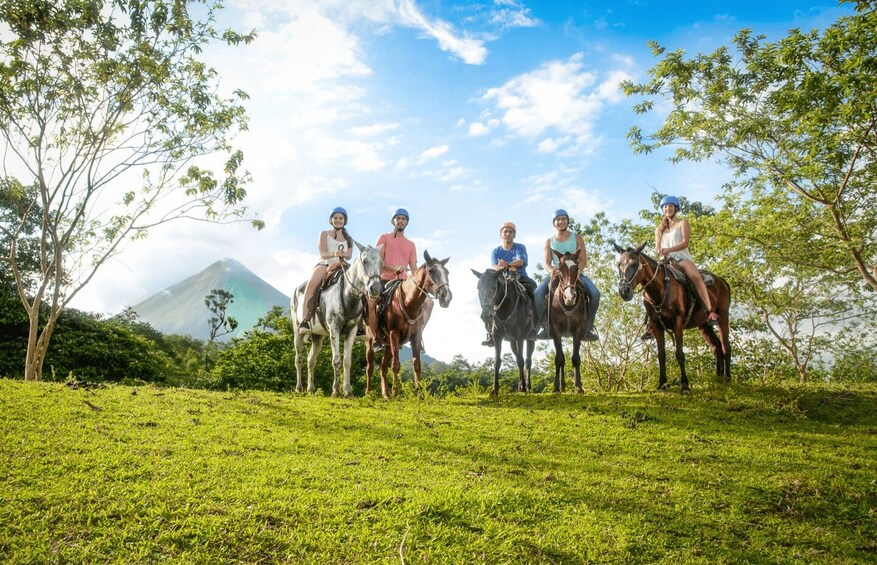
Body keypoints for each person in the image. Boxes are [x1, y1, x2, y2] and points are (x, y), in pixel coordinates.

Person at [533, 209, 600, 341]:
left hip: (575, 273)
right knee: (538, 294)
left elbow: (583, 260)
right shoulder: (549, 241)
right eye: (558, 220)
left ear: (567, 221)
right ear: (554, 223)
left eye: (563, 219)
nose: (561, 222)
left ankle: (588, 326)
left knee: (595, 293)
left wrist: (577, 272)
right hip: (557, 273)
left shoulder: (577, 238)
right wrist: (551, 270)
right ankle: (544, 326)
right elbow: (546, 262)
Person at [654, 195, 719, 326]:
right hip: (665, 261)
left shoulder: (682, 223)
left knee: (695, 277)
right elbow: (657, 247)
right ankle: (650, 323)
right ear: (663, 209)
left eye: (671, 206)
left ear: (676, 208)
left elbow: (685, 243)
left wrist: (670, 250)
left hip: (681, 257)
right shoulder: (659, 229)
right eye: (665, 207)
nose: (668, 209)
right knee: (650, 281)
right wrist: (661, 251)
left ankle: (710, 311)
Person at [366, 208, 419, 350]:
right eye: (398, 218)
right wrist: (394, 268)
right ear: (393, 221)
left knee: (424, 303)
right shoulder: (384, 238)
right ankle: (375, 336)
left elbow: (414, 268)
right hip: (384, 279)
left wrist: (418, 281)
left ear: (407, 222)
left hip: (404, 283)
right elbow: (377, 259)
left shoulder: (411, 245)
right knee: (372, 302)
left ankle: (418, 336)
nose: (401, 221)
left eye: (404, 218)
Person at [481, 222, 538, 346]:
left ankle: (534, 325)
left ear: (514, 234)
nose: (508, 234)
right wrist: (504, 269)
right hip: (502, 279)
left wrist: (507, 265)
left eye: (510, 231)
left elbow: (521, 261)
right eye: (505, 231)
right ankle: (490, 332)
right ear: (501, 234)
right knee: (490, 296)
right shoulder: (496, 251)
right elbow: (494, 266)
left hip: (520, 277)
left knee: (533, 289)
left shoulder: (520, 247)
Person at [299, 206, 354, 333]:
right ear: (331, 220)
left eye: (341, 218)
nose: (338, 220)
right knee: (312, 285)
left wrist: (342, 256)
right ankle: (305, 320)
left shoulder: (349, 238)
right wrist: (335, 254)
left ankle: (360, 323)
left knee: (358, 285)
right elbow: (323, 253)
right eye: (335, 218)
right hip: (325, 263)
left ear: (345, 220)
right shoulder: (324, 234)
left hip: (342, 265)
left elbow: (349, 256)